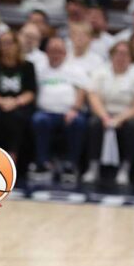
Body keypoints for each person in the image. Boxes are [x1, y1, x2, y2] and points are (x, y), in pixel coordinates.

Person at [85, 40, 134, 186]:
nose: (121, 57)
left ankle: (125, 169)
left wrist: (119, 119)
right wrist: (105, 117)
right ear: (112, 55)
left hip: (127, 115)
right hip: (104, 113)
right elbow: (93, 98)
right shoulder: (100, 72)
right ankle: (93, 167)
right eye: (118, 53)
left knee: (133, 127)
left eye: (125, 54)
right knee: (94, 124)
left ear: (131, 57)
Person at [0, 30, 37, 171]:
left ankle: (12, 161)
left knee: (16, 118)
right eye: (2, 43)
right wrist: (2, 102)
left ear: (17, 45)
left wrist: (15, 102)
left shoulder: (27, 66)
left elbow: (31, 92)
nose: (6, 47)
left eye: (9, 43)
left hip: (18, 105)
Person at [32, 35, 89, 180]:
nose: (55, 55)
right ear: (46, 52)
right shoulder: (39, 68)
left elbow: (82, 90)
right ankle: (42, 163)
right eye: (52, 51)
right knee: (39, 120)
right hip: (45, 112)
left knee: (78, 122)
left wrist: (75, 109)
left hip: (69, 112)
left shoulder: (75, 69)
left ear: (65, 53)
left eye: (59, 51)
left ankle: (70, 165)